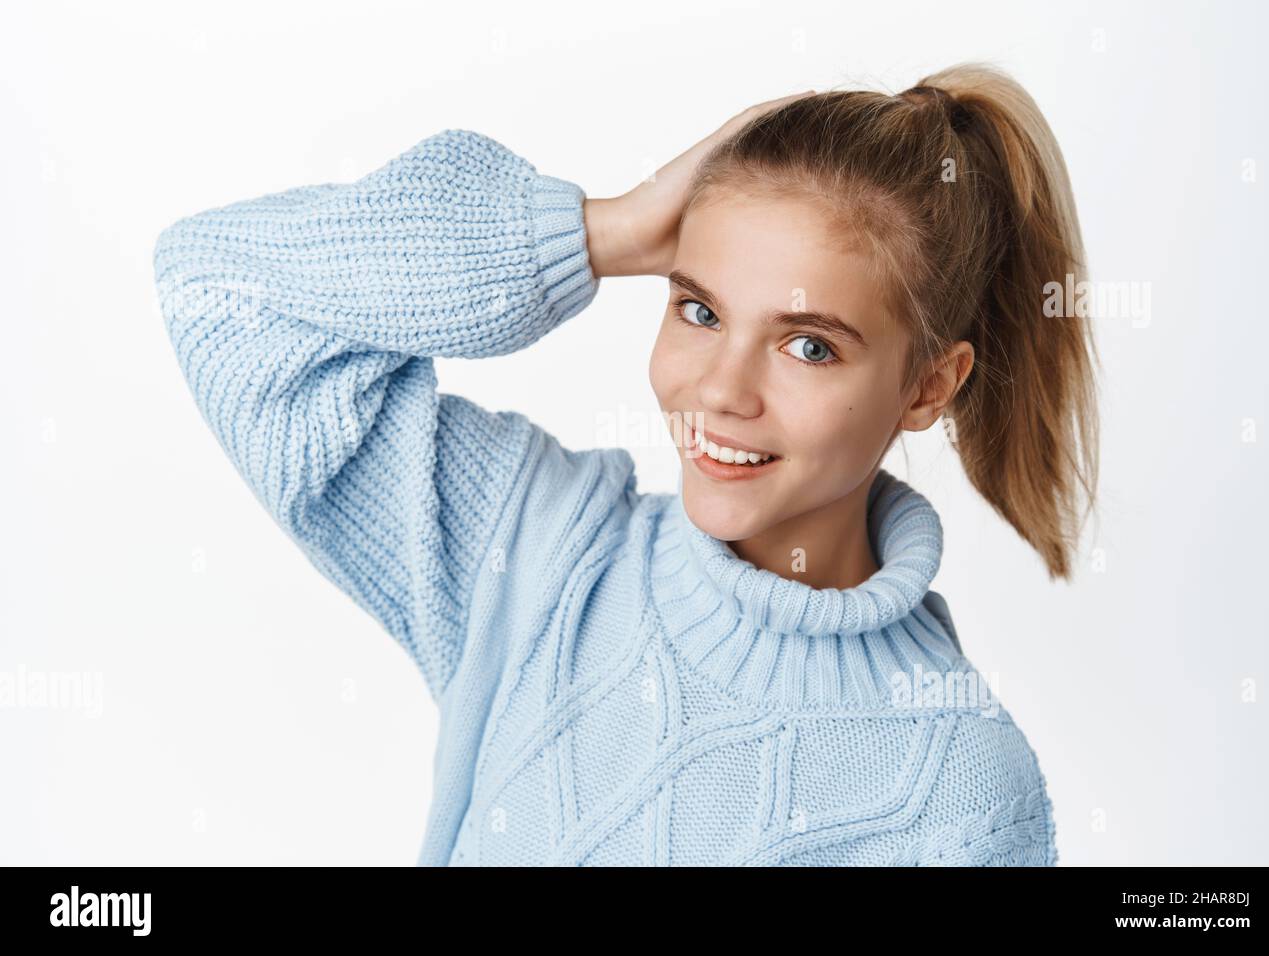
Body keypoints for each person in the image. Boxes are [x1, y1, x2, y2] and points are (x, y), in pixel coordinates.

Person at [154, 63, 1098, 866]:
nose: (722, 390)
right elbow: (216, 288)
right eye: (699, 309)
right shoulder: (534, 547)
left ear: (929, 387)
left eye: (808, 346)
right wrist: (600, 232)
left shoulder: (960, 796)